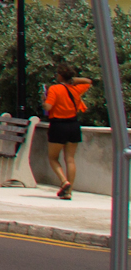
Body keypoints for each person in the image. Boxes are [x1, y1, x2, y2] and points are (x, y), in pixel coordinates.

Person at [44, 62, 93, 200]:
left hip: (58, 125)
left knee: (53, 157)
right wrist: (72, 80)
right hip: (73, 125)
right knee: (70, 159)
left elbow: (48, 107)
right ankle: (69, 191)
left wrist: (44, 100)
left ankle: (64, 181)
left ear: (59, 76)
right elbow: (88, 81)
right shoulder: (76, 89)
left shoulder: (54, 89)